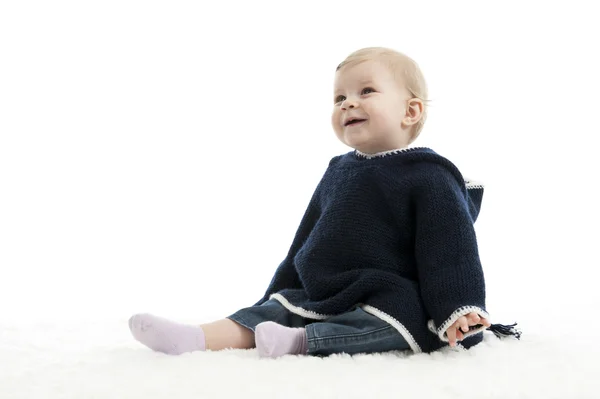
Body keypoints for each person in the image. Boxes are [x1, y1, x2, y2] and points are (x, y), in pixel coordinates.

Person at [128, 47, 520, 358]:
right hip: (331, 287)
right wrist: (279, 290)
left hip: (390, 292)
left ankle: (301, 343)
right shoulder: (339, 170)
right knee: (275, 309)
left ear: (410, 110)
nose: (348, 103)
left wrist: (460, 306)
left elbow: (449, 249)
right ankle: (195, 338)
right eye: (339, 97)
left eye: (366, 91)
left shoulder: (430, 174)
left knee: (390, 321)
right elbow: (307, 239)